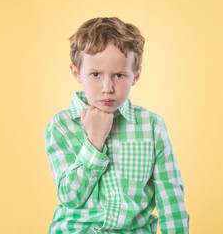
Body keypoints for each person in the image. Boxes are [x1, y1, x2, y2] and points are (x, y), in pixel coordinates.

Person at [44, 17, 189, 234]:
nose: (107, 87)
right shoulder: (61, 126)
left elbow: (171, 200)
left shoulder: (152, 127)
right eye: (95, 74)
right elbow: (70, 197)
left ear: (135, 75)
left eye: (119, 75)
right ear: (77, 73)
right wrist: (94, 141)